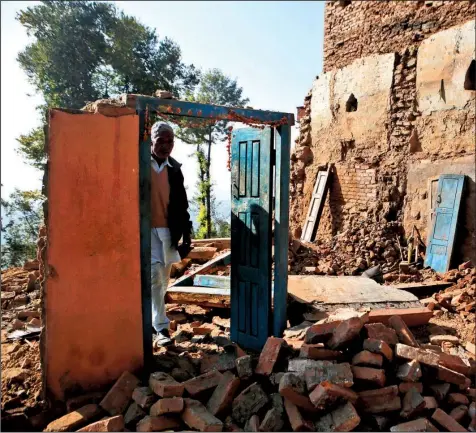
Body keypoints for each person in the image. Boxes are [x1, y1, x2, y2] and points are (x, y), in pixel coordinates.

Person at [150, 121, 192, 347]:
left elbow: (182, 206)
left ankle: (154, 324)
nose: (166, 146)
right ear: (151, 141)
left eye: (170, 141)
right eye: (161, 140)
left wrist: (187, 236)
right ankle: (160, 327)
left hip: (167, 231)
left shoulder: (174, 169)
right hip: (145, 231)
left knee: (162, 279)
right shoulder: (140, 163)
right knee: (154, 275)